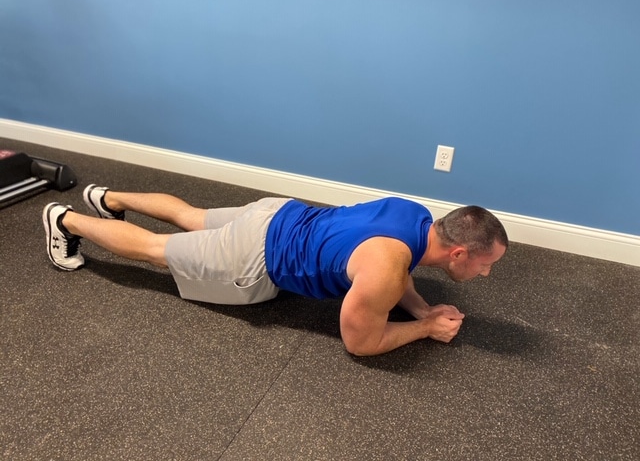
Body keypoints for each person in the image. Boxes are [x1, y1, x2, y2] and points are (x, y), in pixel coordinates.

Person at [42, 184, 508, 356]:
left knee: (191, 215)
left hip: (278, 213)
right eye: (486, 266)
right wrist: (424, 327)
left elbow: (391, 263)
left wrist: (422, 306)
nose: (486, 276)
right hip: (256, 256)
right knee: (154, 248)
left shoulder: (414, 215)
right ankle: (66, 220)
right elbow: (361, 342)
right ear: (459, 254)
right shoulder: (386, 267)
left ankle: (106, 198)